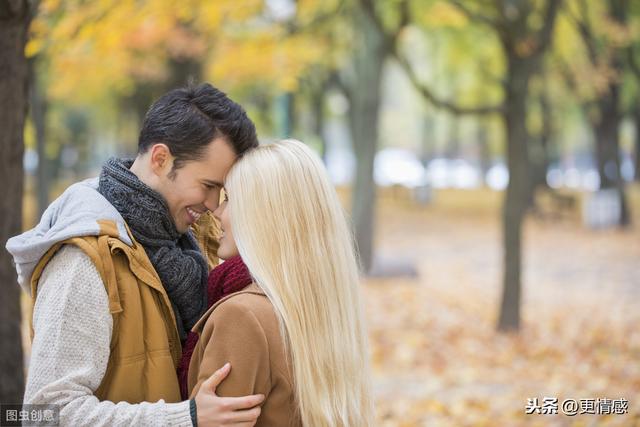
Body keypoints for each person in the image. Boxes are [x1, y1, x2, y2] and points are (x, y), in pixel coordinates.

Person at [6, 83, 264, 426]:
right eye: (209, 186)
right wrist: (182, 419)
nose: (214, 204)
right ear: (160, 159)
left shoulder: (188, 242)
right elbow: (47, 413)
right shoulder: (84, 259)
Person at [182, 140, 374, 426]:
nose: (218, 212)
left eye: (230, 199)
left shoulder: (242, 316)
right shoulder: (324, 305)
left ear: (263, 215)